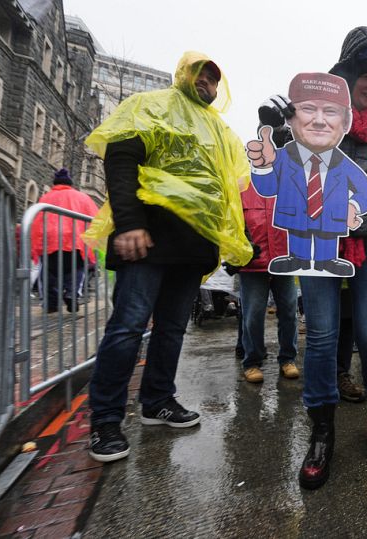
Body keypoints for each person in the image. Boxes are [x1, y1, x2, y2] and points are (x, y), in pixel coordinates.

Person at [262, 27, 367, 490]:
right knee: (321, 338)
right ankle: (322, 431)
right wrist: (276, 127)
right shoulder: (317, 116)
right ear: (348, 72)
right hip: (319, 241)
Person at [82, 52, 252, 462]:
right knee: (127, 327)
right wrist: (129, 224)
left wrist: (224, 245)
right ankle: (105, 420)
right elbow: (121, 161)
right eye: (201, 74)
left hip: (191, 251)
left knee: (172, 329)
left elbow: (226, 192)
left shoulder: (219, 130)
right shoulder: (149, 107)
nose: (207, 83)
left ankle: (157, 400)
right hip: (148, 242)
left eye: (214, 78)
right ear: (183, 73)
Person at [247, 72, 367, 277]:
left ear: (345, 122)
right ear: (290, 119)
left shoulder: (343, 164)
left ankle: (327, 260)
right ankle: (298, 257)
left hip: (331, 222)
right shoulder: (282, 157)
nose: (318, 120)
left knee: (327, 238)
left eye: (330, 111)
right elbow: (267, 188)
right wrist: (262, 167)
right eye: (308, 109)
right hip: (295, 218)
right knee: (299, 234)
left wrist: (353, 206)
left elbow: (366, 192)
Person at [238, 165, 300, 384]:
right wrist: (243, 248)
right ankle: (252, 362)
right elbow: (234, 222)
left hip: (284, 261)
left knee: (289, 312)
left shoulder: (288, 185)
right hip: (252, 265)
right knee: (253, 315)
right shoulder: (241, 185)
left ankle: (288, 359)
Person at [31, 168, 99, 313]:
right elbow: (95, 218)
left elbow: (37, 221)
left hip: (50, 242)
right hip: (75, 241)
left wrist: (35, 244)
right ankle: (72, 294)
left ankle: (51, 301)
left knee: (48, 273)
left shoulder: (46, 198)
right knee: (76, 270)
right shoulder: (82, 197)